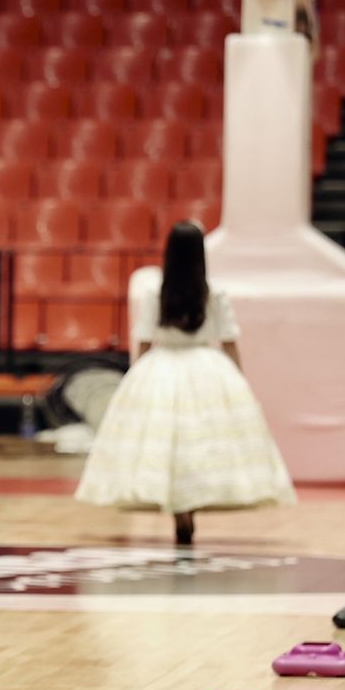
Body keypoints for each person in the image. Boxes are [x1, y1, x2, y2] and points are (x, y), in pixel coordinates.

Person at [75, 222, 296, 544]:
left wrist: (138, 380)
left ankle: (180, 510)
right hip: (208, 366)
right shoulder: (214, 293)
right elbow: (229, 339)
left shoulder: (156, 292)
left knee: (170, 443)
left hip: (162, 367)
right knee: (199, 442)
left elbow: (145, 341)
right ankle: (189, 505)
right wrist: (238, 380)